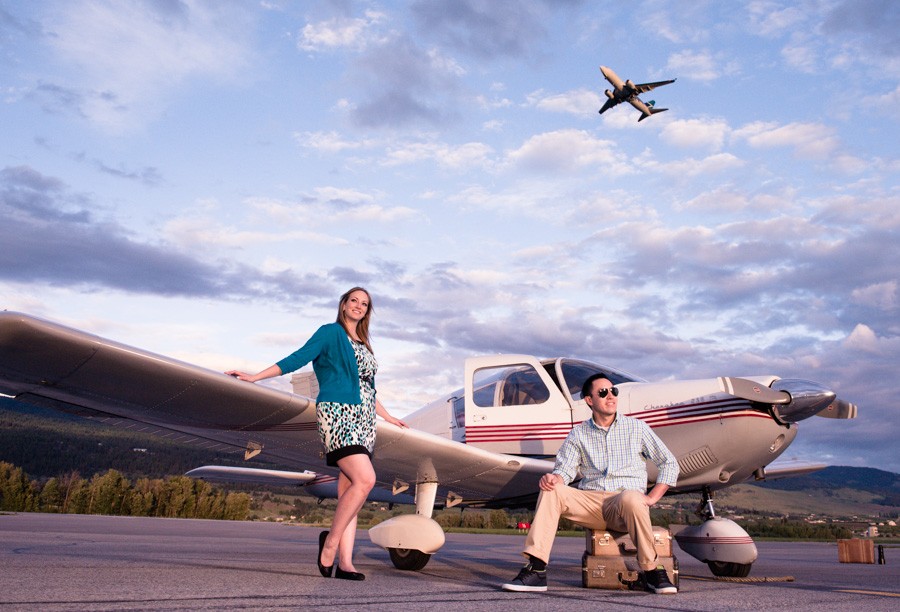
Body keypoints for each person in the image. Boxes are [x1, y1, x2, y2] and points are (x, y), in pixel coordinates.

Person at [227, 287, 407, 581]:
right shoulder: (330, 333)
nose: (359, 306)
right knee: (367, 479)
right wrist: (255, 376)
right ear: (344, 304)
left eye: (364, 303)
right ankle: (330, 543)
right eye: (354, 301)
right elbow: (297, 358)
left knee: (352, 492)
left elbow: (368, 388)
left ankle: (346, 564)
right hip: (338, 414)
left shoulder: (364, 342)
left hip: (364, 421)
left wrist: (387, 417)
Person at [501, 372, 680, 595]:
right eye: (603, 392)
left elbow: (669, 463)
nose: (611, 396)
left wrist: (652, 497)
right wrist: (553, 478)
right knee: (551, 489)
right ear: (589, 400)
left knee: (631, 497)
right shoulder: (578, 434)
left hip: (624, 503)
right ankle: (537, 569)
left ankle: (652, 571)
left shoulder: (638, 428)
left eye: (613, 391)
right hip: (591, 504)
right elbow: (564, 470)